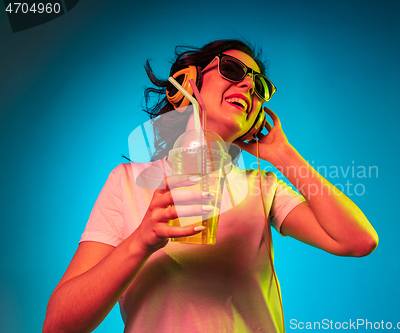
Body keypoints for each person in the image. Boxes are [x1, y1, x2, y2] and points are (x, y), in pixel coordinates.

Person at [43, 39, 378, 333]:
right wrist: (142, 240)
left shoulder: (263, 188)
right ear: (188, 83)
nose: (249, 87)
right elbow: (58, 325)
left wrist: (283, 155)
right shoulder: (128, 182)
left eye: (259, 87)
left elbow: (358, 240)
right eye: (233, 70)